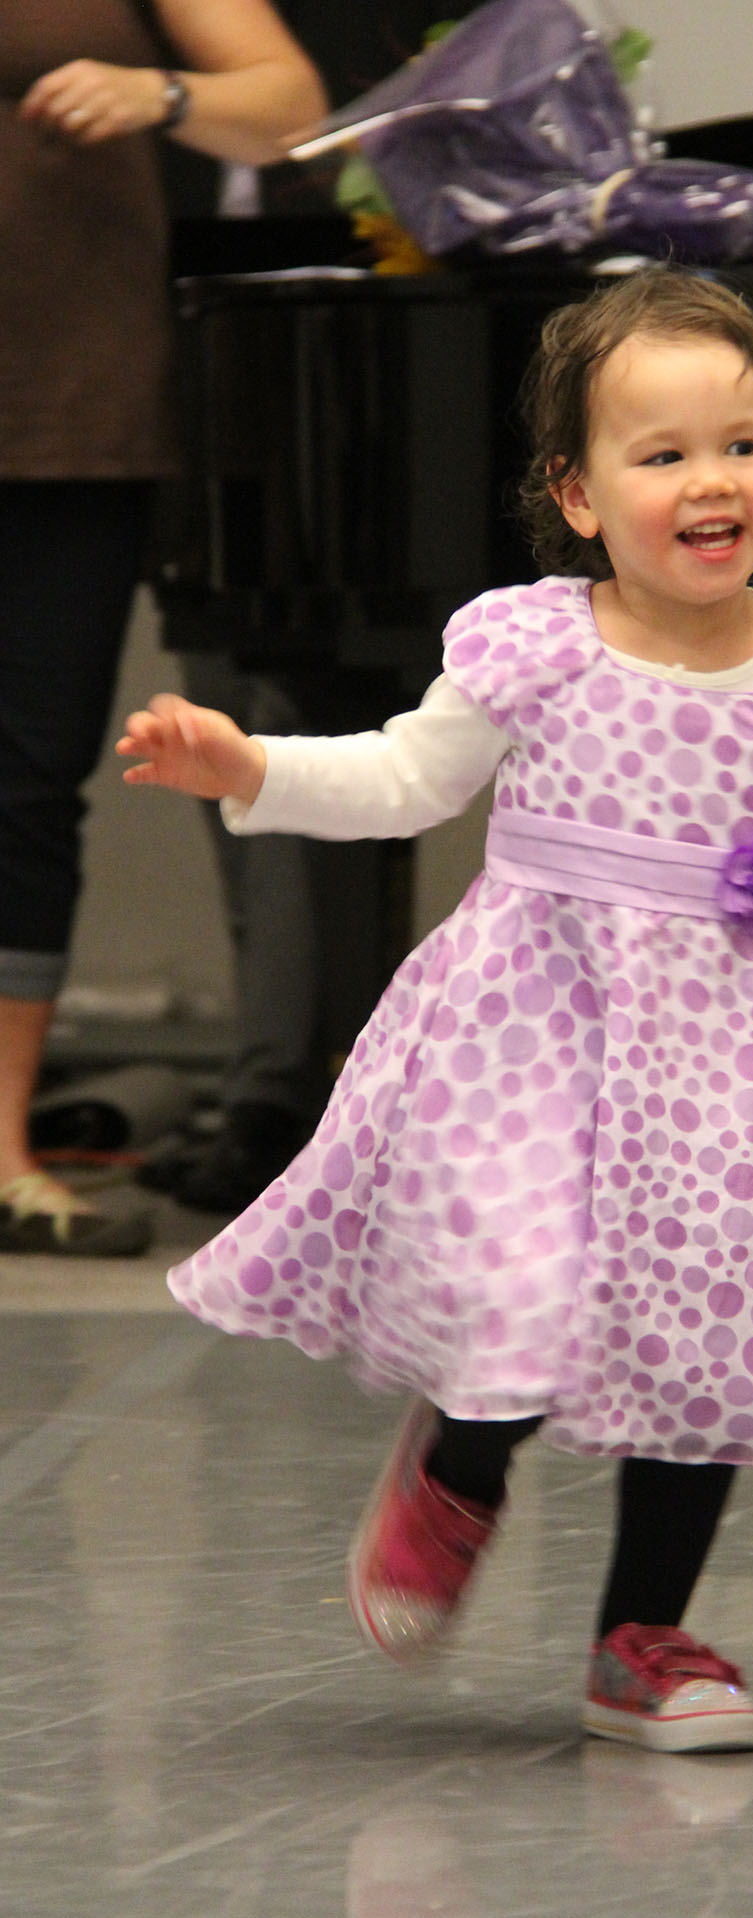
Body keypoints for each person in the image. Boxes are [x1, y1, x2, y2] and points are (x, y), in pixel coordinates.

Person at [118, 268, 753, 1753]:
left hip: (726, 1063)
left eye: (745, 445)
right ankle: (460, 1476)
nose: (713, 481)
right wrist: (250, 767)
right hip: (532, 1033)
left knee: (710, 1344)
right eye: (663, 454)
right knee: (523, 1274)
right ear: (577, 497)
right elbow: (402, 780)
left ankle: (640, 1638)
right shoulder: (540, 647)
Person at [0, 0, 326, 1257]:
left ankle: (8, 1156)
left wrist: (163, 97)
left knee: (27, 783)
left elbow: (290, 103)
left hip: (65, 416)